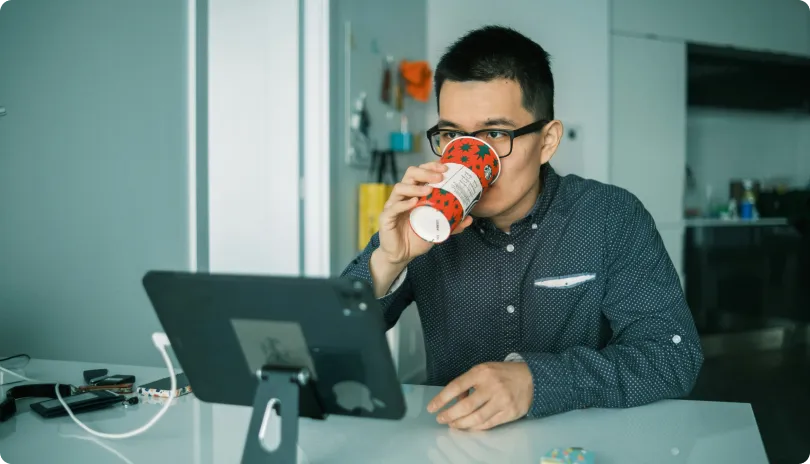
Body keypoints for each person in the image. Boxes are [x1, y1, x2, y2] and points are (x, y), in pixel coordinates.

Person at [342, 25, 703, 431]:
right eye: (452, 136)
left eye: (495, 133)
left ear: (547, 141)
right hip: (454, 444)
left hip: (580, 443)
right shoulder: (426, 221)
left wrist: (539, 381)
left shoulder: (609, 216)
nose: (469, 160)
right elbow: (331, 348)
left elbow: (674, 356)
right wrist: (390, 260)